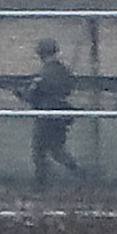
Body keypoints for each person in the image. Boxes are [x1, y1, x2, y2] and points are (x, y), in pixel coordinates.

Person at [22, 38, 80, 186]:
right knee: (57, 150)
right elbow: (68, 89)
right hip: (61, 114)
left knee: (39, 150)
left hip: (46, 115)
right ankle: (81, 173)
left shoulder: (43, 73)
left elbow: (31, 96)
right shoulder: (64, 71)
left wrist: (20, 93)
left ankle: (42, 182)